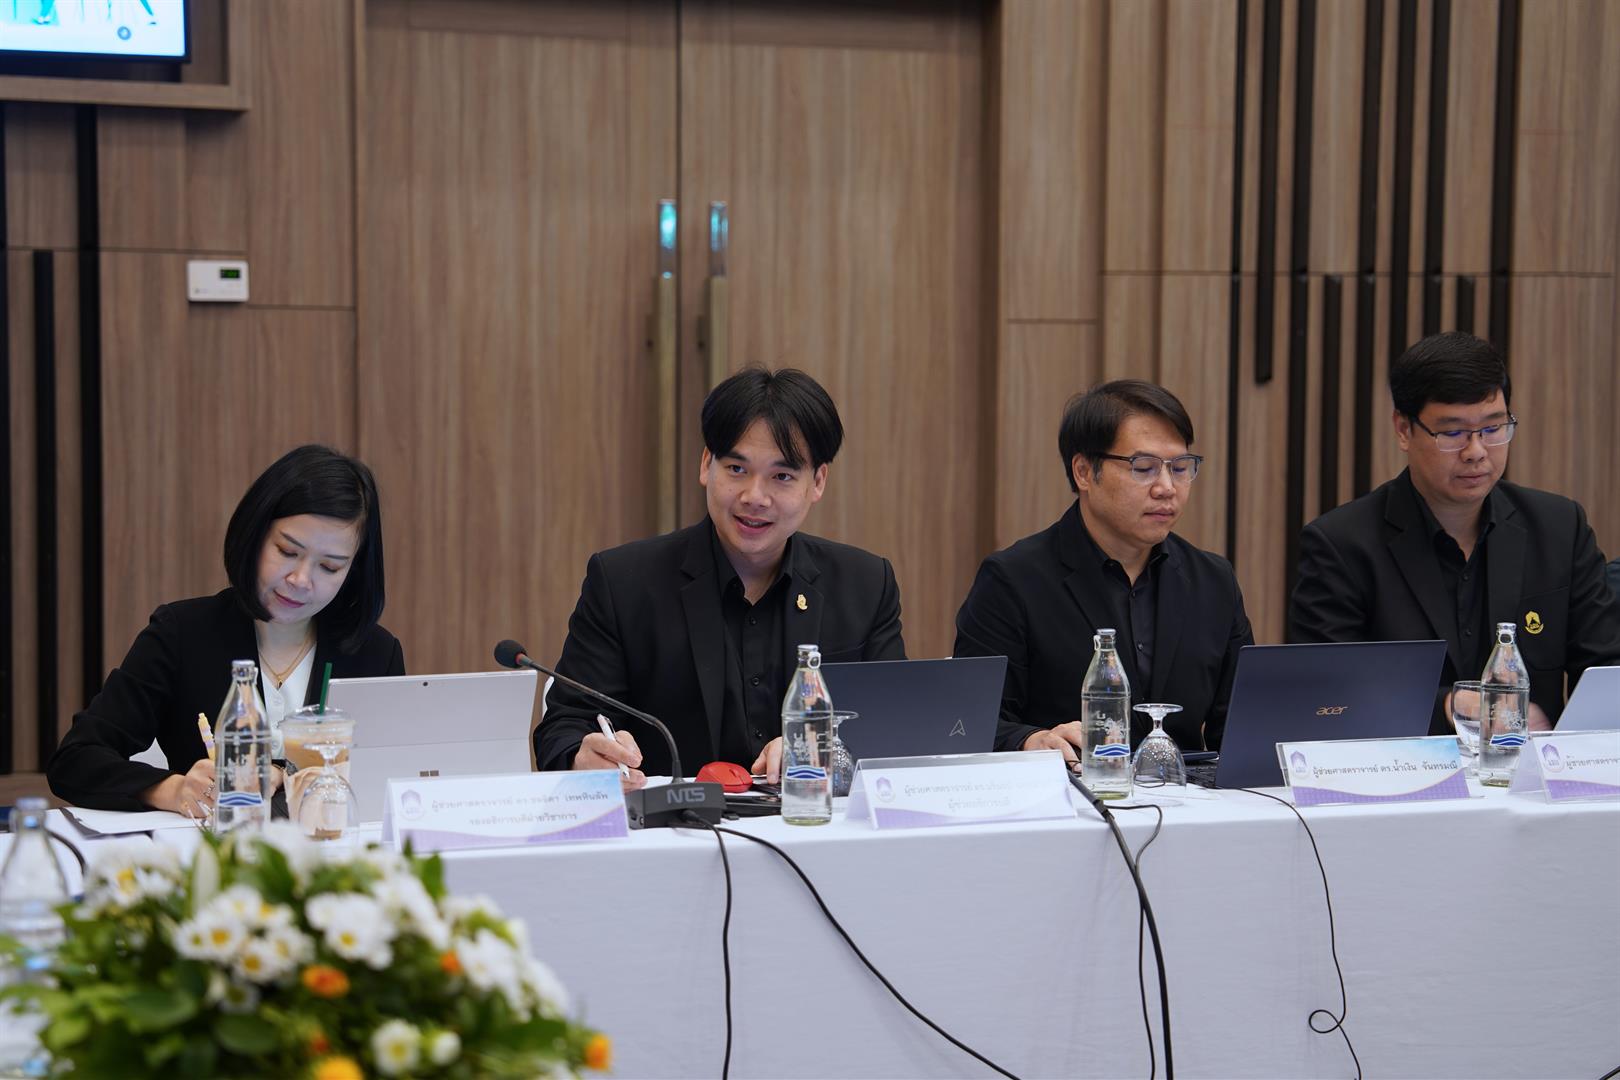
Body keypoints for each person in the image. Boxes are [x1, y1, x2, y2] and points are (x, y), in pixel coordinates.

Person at [536, 367, 905, 786]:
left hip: (813, 821)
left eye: (782, 476)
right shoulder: (623, 583)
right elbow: (564, 727)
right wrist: (582, 757)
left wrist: (824, 748)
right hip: (672, 823)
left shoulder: (865, 585)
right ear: (706, 464)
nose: (754, 497)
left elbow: (895, 727)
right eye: (736, 469)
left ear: (817, 482)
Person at [1290, 332, 1620, 732]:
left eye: (1493, 428)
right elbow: (1326, 693)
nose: (1476, 451)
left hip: (1529, 766)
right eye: (1452, 433)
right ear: (1404, 429)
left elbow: (1606, 668)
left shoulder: (1560, 528)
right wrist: (1450, 705)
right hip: (1406, 766)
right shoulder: (1341, 545)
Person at [48, 445, 404, 815]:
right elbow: (76, 760)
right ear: (255, 535)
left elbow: (396, 779)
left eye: (329, 567)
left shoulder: (375, 653)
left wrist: (289, 777)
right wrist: (172, 789)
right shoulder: (182, 634)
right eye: (287, 551)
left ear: (353, 572)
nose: (301, 579)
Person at [954, 380, 1253, 759]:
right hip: (1068, 787)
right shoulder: (1014, 579)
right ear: (1084, 472)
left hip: (1185, 791)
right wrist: (1031, 740)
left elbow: (1244, 725)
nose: (1167, 487)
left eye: (1180, 468)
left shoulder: (1213, 581)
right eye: (1144, 468)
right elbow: (969, 723)